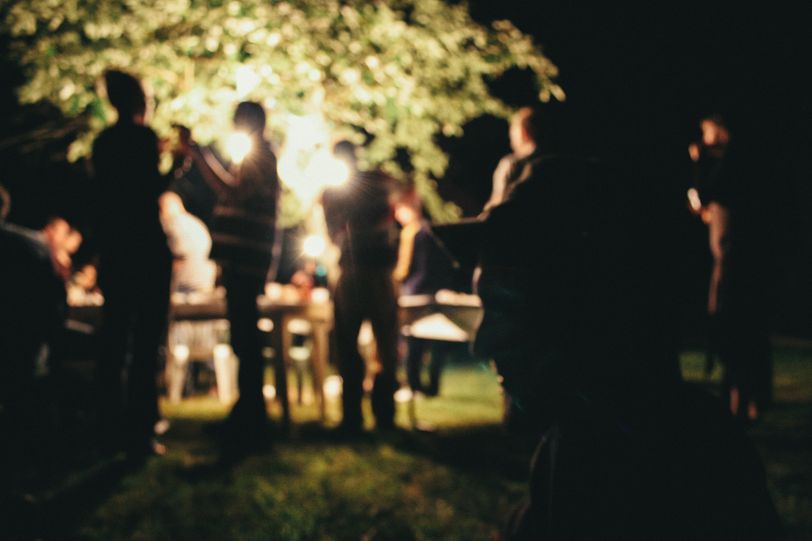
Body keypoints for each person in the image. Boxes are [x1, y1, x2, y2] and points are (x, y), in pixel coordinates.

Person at [435, 156, 784, 540]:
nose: (484, 344)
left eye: (509, 309)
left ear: (594, 308)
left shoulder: (682, 473)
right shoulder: (574, 449)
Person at [184, 101, 279, 450]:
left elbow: (233, 192)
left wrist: (199, 156)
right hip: (240, 263)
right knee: (242, 338)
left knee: (246, 339)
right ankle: (246, 413)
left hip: (245, 264)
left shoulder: (262, 157)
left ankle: (251, 419)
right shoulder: (257, 157)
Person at [90, 69, 174, 460]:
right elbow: (149, 190)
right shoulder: (142, 138)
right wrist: (175, 166)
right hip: (146, 249)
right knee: (145, 344)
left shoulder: (103, 142)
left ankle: (107, 429)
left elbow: (103, 198)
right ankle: (140, 431)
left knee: (114, 339)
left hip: (116, 250)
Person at [689, 114, 772, 423]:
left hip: (732, 263)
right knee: (742, 329)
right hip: (740, 261)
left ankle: (739, 400)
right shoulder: (745, 164)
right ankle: (744, 399)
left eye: (707, 131)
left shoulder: (730, 164)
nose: (704, 138)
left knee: (730, 325)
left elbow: (704, 194)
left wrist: (699, 162)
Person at [321, 141, 400, 433]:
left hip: (371, 271)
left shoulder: (377, 182)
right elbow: (335, 230)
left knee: (377, 344)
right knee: (358, 343)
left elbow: (390, 205)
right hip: (361, 271)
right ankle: (363, 415)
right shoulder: (336, 191)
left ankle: (375, 414)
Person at [393, 188, 457, 396]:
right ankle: (422, 385)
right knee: (425, 341)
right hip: (424, 289)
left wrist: (406, 290)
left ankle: (417, 385)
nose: (397, 215)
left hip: (419, 292)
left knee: (417, 341)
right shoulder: (417, 231)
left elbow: (421, 268)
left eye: (400, 209)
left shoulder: (420, 232)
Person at [482, 106, 545, 213]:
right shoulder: (560, 164)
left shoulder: (511, 164)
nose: (510, 137)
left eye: (513, 130)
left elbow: (496, 208)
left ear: (523, 132)